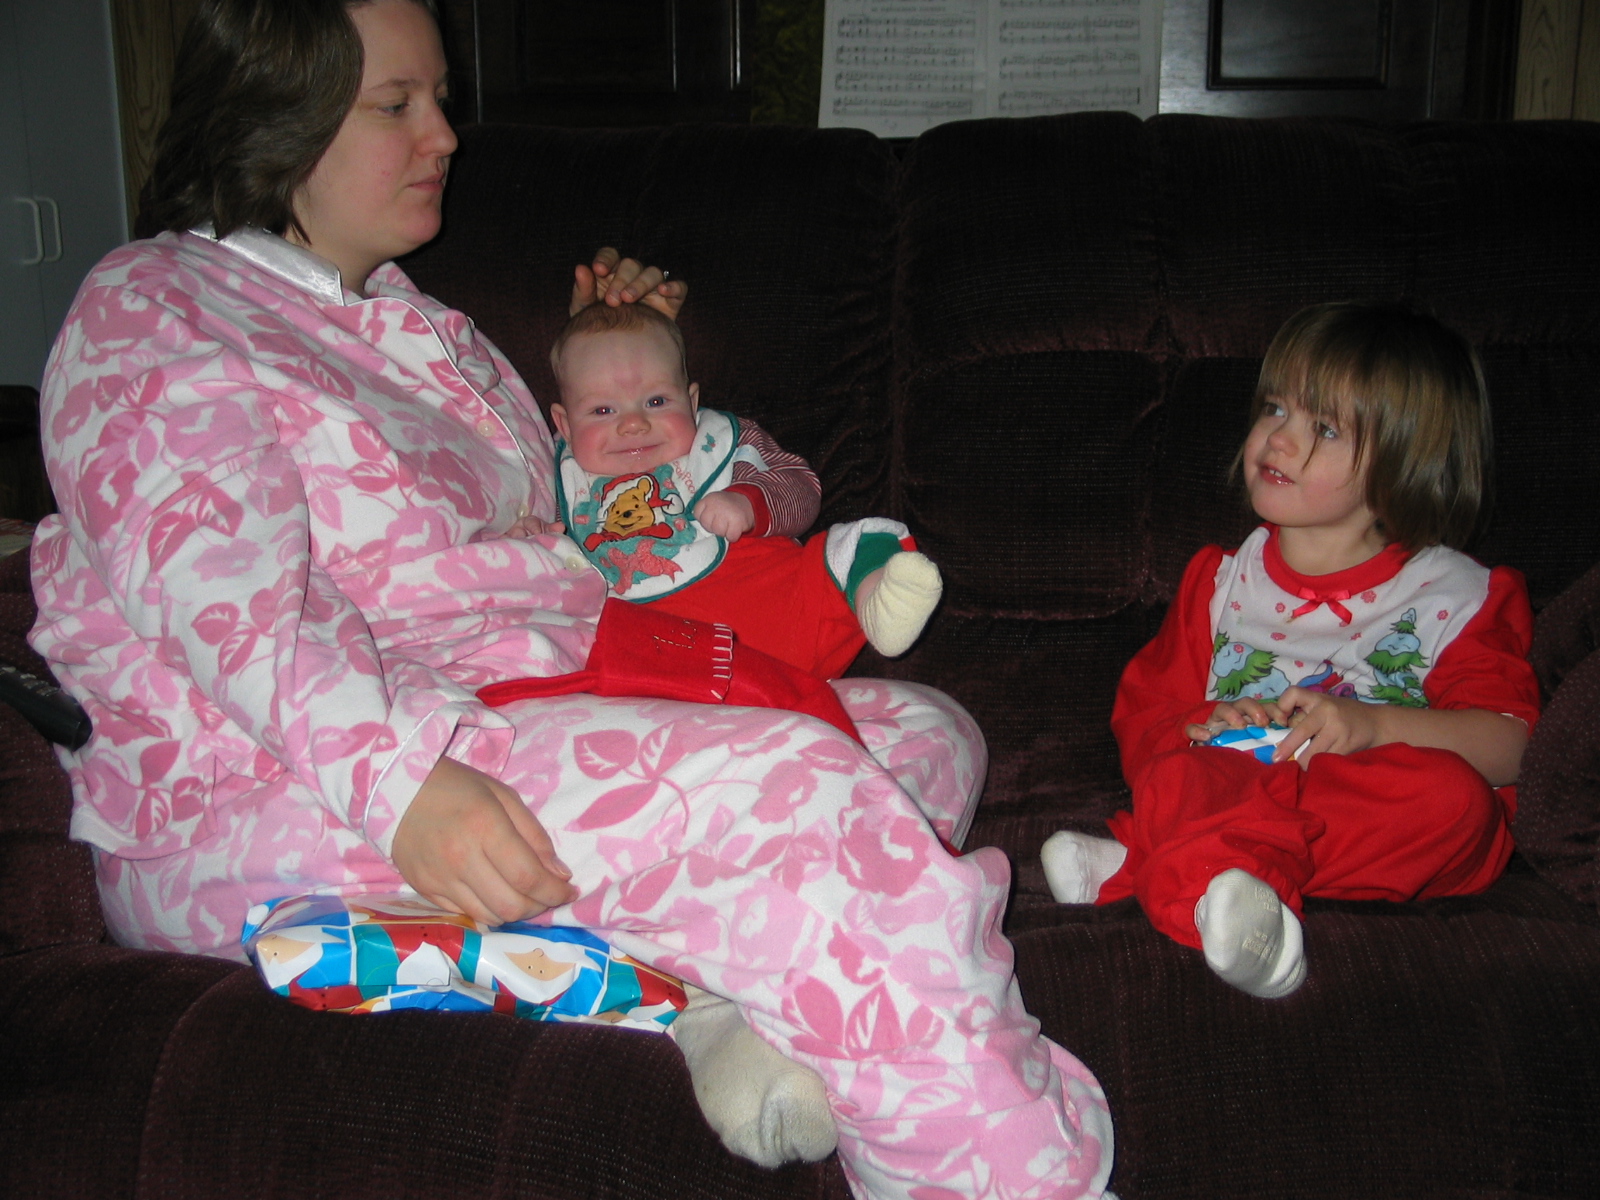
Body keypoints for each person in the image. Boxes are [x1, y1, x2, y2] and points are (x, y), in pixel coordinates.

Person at [26, 1, 1113, 1197]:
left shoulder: (427, 327)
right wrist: (403, 787)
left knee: (919, 735)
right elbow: (227, 599)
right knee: (804, 793)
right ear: (272, 119)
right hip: (282, 778)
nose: (444, 134)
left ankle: (710, 992)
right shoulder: (154, 305)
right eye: (397, 105)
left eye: (441, 99)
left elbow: (583, 520)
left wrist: (621, 340)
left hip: (520, 689)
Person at [1042, 302, 1540, 999]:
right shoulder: (1219, 582)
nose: (1278, 437)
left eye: (1324, 428)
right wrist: (1204, 722)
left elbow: (1515, 747)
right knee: (1179, 774)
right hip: (1241, 781)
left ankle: (1149, 865)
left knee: (1455, 802)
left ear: (1402, 466)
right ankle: (1239, 913)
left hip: (1368, 808)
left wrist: (1375, 727)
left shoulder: (1459, 595)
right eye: (1275, 408)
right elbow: (1144, 716)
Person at [525, 300, 942, 677]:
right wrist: (533, 543)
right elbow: (560, 565)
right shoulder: (564, 480)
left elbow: (801, 487)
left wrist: (748, 502)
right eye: (602, 410)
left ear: (691, 402)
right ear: (564, 425)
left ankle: (883, 605)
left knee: (862, 543)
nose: (633, 423)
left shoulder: (723, 442)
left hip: (780, 613)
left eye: (656, 401)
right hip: (661, 653)